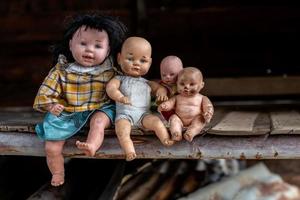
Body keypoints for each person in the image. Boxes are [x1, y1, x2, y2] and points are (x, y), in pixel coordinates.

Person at [33, 13, 127, 186]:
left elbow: (128, 87)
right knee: (51, 146)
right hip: (68, 111)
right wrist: (51, 105)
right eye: (83, 43)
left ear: (108, 50)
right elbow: (46, 92)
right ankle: (58, 173)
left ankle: (91, 145)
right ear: (70, 44)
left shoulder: (110, 71)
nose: (89, 49)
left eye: (98, 46)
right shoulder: (61, 71)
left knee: (99, 121)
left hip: (100, 107)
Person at [106, 37, 174, 161]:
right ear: (119, 59)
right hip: (124, 115)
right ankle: (129, 150)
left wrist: (161, 93)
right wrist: (119, 96)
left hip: (144, 115)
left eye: (143, 60)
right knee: (122, 131)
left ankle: (165, 138)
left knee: (157, 123)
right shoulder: (119, 79)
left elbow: (160, 88)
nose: (136, 63)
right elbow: (110, 88)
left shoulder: (147, 83)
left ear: (150, 63)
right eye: (130, 59)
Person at [158, 67, 214, 142]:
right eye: (182, 84)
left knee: (200, 121)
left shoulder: (202, 98)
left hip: (195, 118)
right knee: (173, 118)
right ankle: (176, 133)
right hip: (179, 119)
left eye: (192, 84)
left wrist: (208, 113)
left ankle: (191, 132)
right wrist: (165, 106)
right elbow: (170, 103)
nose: (186, 87)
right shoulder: (177, 97)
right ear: (177, 84)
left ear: (201, 85)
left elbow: (208, 106)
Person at [158, 55, 183, 122]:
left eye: (172, 74)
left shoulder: (184, 83)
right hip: (167, 112)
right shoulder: (161, 85)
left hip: (183, 111)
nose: (167, 77)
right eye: (163, 75)